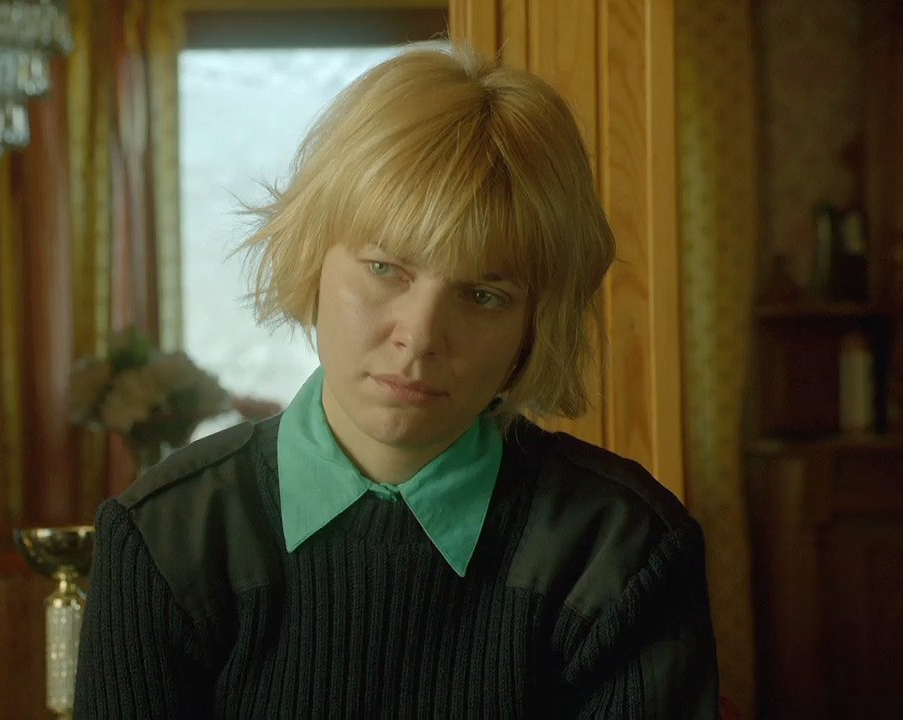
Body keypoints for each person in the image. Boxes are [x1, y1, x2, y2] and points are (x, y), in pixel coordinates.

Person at [74, 41, 719, 718]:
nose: (420, 337)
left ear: (534, 326)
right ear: (312, 261)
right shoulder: (164, 540)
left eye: (483, 296)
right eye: (386, 269)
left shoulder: (620, 550)